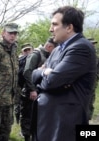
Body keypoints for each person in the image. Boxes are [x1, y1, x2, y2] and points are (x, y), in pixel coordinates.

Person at [31, 6, 97, 141]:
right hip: (49, 120)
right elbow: (33, 76)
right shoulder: (57, 50)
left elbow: (52, 81)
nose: (50, 29)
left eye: (55, 24)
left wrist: (46, 74)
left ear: (69, 27)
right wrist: (45, 72)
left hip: (65, 123)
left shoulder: (81, 48)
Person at [19, 37, 57, 141]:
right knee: (28, 115)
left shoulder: (46, 55)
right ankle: (27, 136)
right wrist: (32, 89)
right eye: (54, 48)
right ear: (49, 46)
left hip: (39, 91)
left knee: (36, 116)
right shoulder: (36, 54)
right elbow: (27, 72)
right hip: (30, 91)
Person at [87, 37, 99, 120]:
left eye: (94, 44)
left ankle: (88, 118)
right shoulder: (82, 55)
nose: (93, 45)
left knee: (91, 100)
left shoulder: (96, 57)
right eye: (92, 44)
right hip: (84, 84)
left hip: (93, 83)